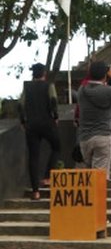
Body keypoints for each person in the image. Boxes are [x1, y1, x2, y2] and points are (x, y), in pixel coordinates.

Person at [77, 61, 111, 179]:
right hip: (102, 136)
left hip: (84, 138)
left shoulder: (82, 90)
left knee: (90, 176)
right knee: (100, 178)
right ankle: (97, 198)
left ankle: (91, 197)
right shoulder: (108, 91)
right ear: (105, 74)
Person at [18, 63, 61, 200]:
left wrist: (23, 121)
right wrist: (55, 117)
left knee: (33, 157)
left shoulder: (27, 87)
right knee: (57, 146)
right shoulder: (49, 85)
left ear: (33, 74)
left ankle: (35, 192)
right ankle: (48, 176)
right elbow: (53, 100)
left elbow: (20, 104)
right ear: (44, 74)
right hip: (47, 123)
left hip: (31, 125)